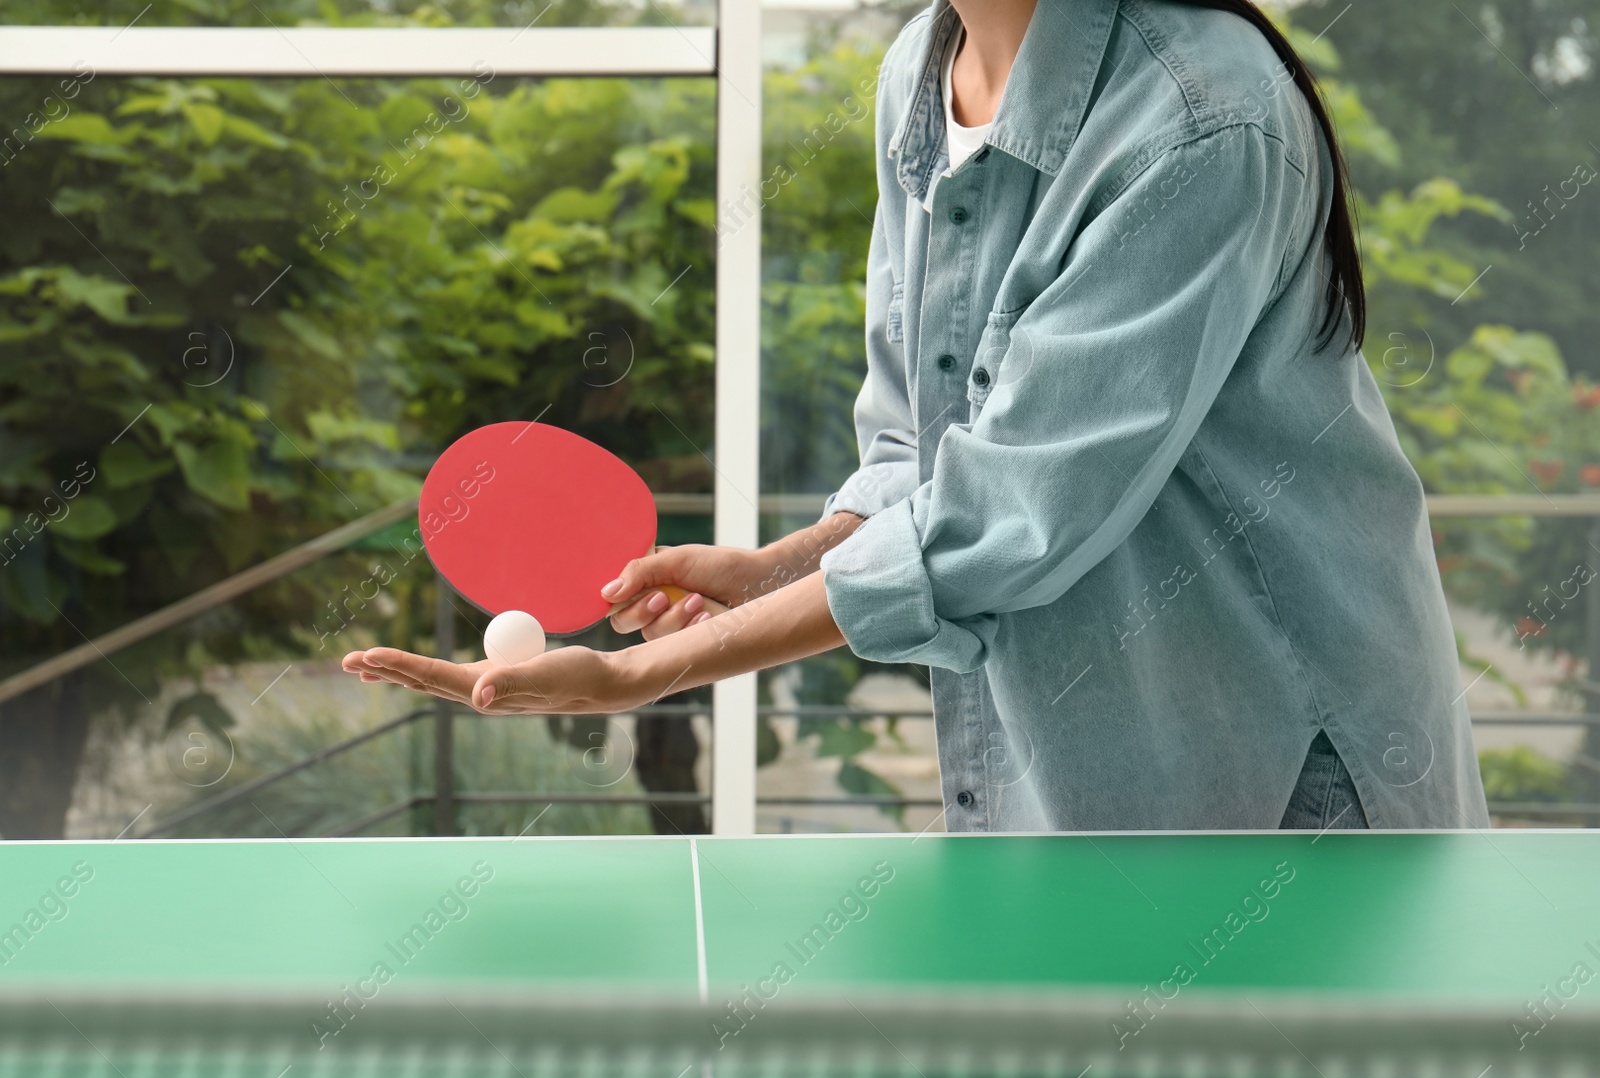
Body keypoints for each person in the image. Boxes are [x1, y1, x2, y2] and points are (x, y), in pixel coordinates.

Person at [345, 0, 1490, 831]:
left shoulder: (1208, 120)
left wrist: (650, 675)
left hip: (1285, 779)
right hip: (1094, 767)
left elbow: (1014, 513)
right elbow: (921, 448)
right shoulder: (918, 74)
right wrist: (764, 571)